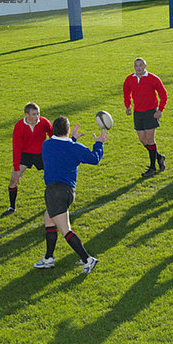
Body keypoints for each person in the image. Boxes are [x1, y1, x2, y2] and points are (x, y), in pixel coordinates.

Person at [33, 116, 107, 274]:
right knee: (48, 219)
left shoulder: (46, 145)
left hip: (55, 193)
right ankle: (49, 258)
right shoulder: (75, 148)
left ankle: (87, 259)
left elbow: (60, 150)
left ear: (53, 130)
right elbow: (94, 159)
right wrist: (99, 143)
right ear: (67, 130)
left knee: (65, 229)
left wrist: (72, 138)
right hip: (67, 192)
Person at [2, 102, 53, 216]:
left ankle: (55, 204)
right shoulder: (19, 126)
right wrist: (16, 169)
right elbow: (16, 148)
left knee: (53, 179)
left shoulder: (44, 122)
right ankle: (12, 207)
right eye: (34, 114)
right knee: (13, 181)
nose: (37, 116)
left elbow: (53, 136)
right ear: (26, 114)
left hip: (42, 154)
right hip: (25, 155)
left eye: (38, 113)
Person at [123, 57, 168, 178]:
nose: (138, 68)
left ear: (145, 66)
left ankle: (152, 168)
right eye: (136, 66)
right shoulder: (129, 79)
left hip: (150, 112)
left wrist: (160, 110)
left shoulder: (153, 78)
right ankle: (159, 157)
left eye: (141, 65)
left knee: (150, 139)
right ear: (134, 67)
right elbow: (126, 92)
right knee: (143, 140)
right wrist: (128, 106)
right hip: (138, 113)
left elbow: (163, 94)